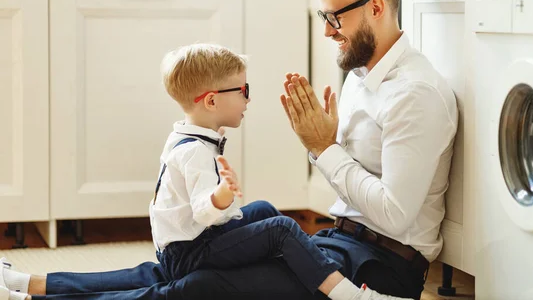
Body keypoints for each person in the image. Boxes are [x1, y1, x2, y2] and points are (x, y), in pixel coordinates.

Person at [0, 0, 458, 300]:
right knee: (190, 265)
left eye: (333, 17)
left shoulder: (415, 94)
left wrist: (325, 149)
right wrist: (329, 146)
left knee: (200, 288)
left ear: (376, 8)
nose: (325, 30)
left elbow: (396, 218)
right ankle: (33, 284)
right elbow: (357, 185)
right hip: (337, 243)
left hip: (378, 269)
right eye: (323, 16)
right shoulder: (361, 75)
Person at [0, 41, 408, 300]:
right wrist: (221, 198)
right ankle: (353, 297)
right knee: (281, 228)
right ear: (212, 100)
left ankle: (28, 284)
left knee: (265, 211)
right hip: (190, 249)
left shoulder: (189, 135)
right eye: (243, 91)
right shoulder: (197, 152)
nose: (249, 99)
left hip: (181, 244)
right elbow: (202, 210)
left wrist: (227, 204)